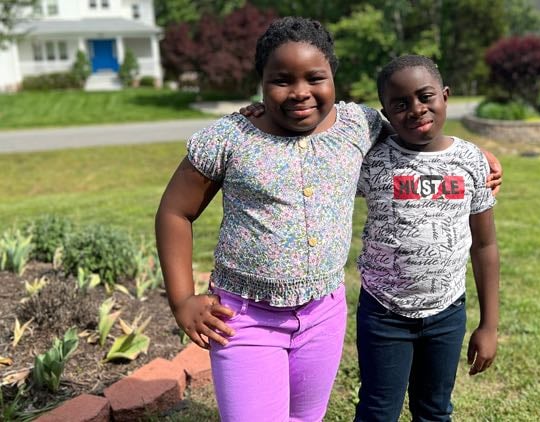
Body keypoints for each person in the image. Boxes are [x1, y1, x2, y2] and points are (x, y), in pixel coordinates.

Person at [156, 16, 501, 422]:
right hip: (244, 317)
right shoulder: (232, 138)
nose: (300, 92)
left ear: (332, 77)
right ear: (261, 81)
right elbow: (175, 212)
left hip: (323, 316)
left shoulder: (358, 125)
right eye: (281, 80)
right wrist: (182, 299)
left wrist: (475, 160)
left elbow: (420, 130)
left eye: (314, 78)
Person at [353, 54, 500, 422]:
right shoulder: (371, 161)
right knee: (377, 411)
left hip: (446, 313)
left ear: (445, 96)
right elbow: (321, 137)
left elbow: (485, 246)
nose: (416, 109)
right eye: (400, 104)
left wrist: (489, 325)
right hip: (383, 313)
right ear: (385, 113)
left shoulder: (471, 160)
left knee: (434, 411)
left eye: (425, 96)